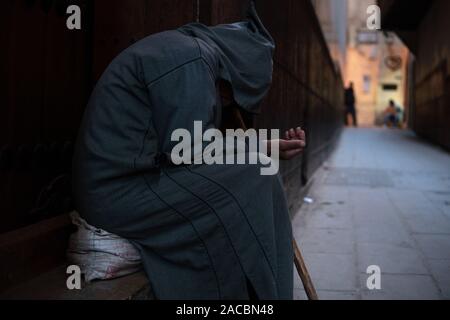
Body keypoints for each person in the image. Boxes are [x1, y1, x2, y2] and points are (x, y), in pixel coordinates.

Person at [73, 2, 306, 300]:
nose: (225, 101)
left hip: (129, 184)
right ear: (238, 69)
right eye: (231, 94)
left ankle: (261, 293)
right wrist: (260, 151)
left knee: (260, 170)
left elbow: (188, 145)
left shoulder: (190, 51)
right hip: (118, 194)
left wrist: (266, 147)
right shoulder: (192, 57)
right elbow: (190, 150)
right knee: (257, 174)